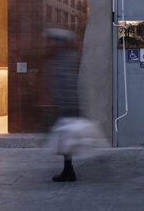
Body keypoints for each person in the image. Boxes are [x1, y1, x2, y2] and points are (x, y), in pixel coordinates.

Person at [45, 28, 80, 182]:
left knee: (66, 140)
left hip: (65, 106)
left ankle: (69, 171)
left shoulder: (63, 58)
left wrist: (63, 105)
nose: (50, 44)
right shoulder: (65, 56)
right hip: (66, 105)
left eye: (52, 41)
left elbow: (65, 83)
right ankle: (68, 169)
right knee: (65, 140)